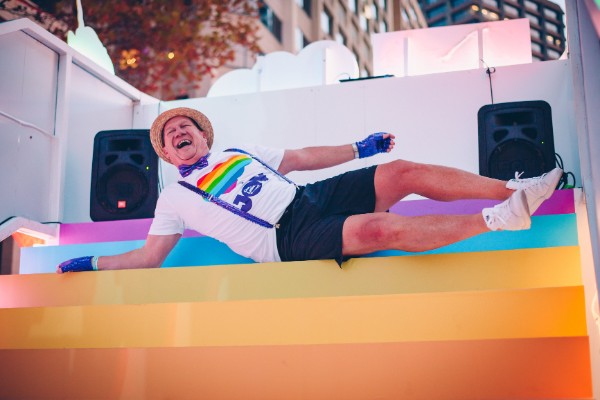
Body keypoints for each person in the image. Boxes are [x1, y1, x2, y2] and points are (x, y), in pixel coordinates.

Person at [57, 107, 563, 273]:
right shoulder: (172, 199)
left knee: (400, 171)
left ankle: (515, 189)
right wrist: (89, 264)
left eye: (186, 126)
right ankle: (497, 219)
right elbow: (148, 258)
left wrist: (360, 149)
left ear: (203, 135)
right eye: (170, 135)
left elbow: (300, 160)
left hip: (309, 198)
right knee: (376, 228)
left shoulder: (237, 154)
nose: (179, 132)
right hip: (284, 242)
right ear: (167, 155)